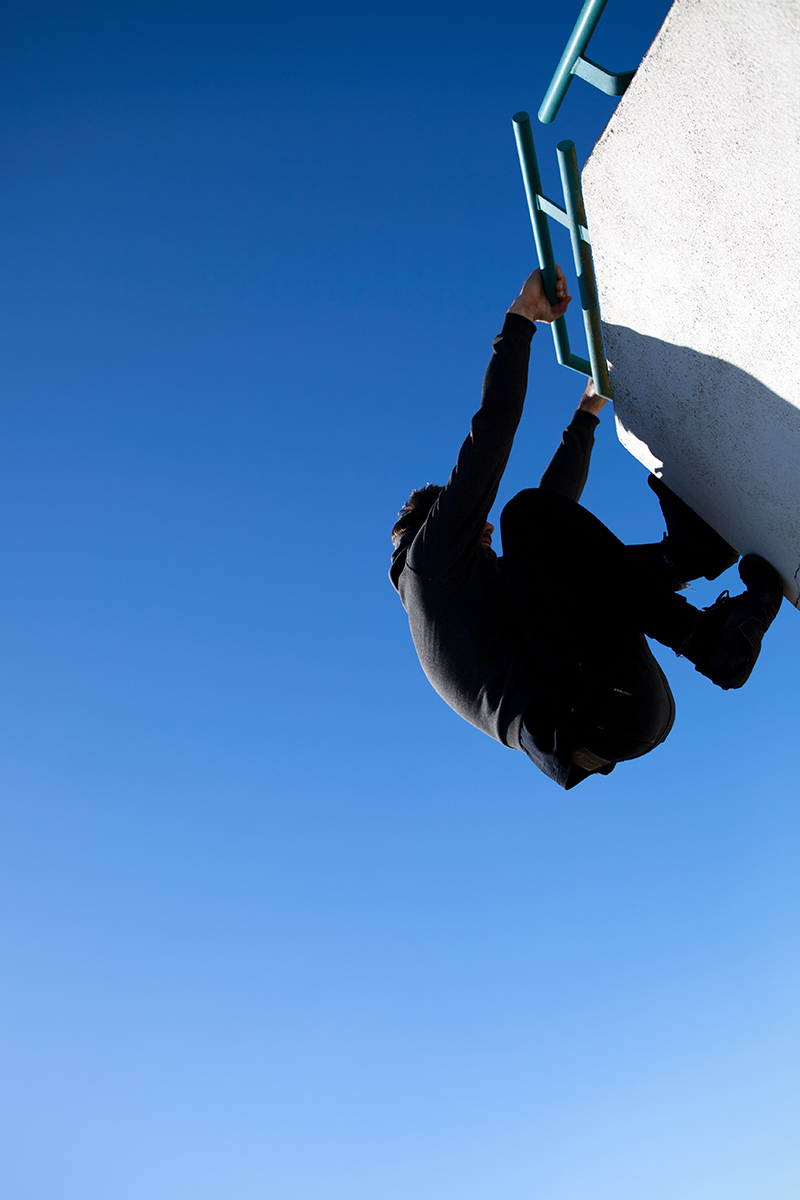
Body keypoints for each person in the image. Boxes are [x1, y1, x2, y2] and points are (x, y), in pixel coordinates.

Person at [388, 267, 784, 789]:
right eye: (473, 526)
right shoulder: (429, 562)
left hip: (624, 713)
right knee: (524, 517)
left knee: (542, 532)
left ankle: (686, 558)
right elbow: (490, 438)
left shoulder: (466, 603)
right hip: (594, 710)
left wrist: (586, 416)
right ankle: (711, 643)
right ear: (432, 524)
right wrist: (522, 316)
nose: (484, 531)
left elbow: (557, 519)